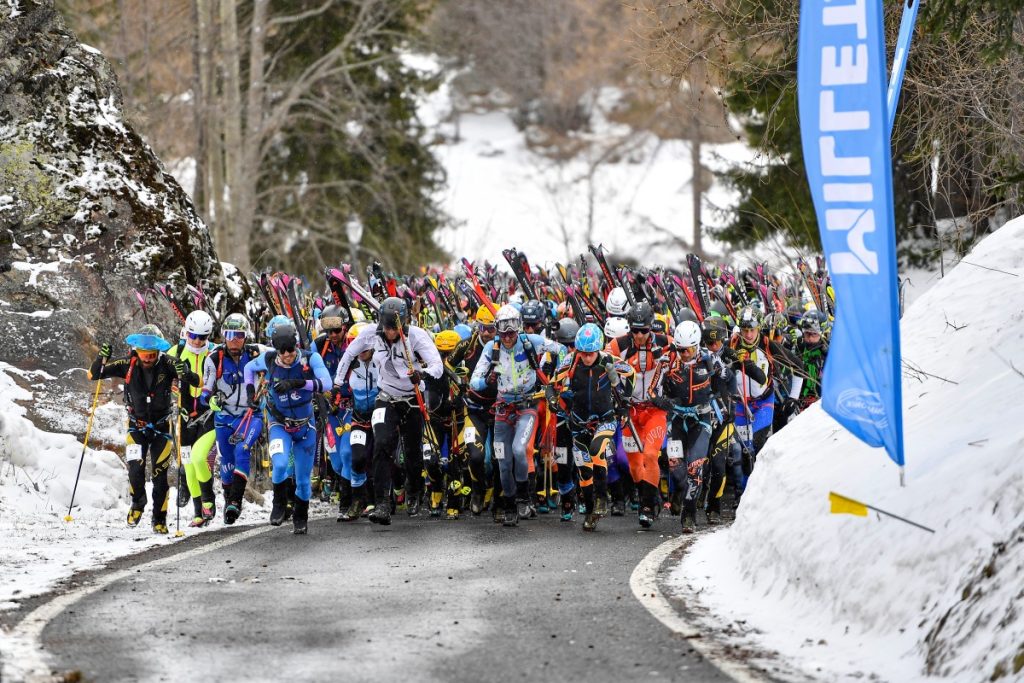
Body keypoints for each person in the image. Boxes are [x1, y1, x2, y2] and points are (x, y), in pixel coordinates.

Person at [333, 297, 443, 525]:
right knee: (382, 445)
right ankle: (382, 502)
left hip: (412, 398)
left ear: (403, 323)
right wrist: (337, 381)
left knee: (412, 455)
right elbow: (349, 354)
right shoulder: (372, 333)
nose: (390, 332)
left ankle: (414, 489)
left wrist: (422, 374)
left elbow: (438, 367)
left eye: (395, 328)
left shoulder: (416, 336)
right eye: (387, 327)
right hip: (386, 397)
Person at [89, 324, 195, 534]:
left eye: (152, 354)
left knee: (159, 476)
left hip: (162, 428)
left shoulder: (168, 363)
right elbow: (94, 375)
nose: (148, 358)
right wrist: (101, 358)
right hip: (136, 428)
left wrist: (186, 371)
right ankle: (138, 504)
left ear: (158, 352)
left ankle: (159, 519)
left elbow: (195, 382)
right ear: (136, 351)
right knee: (135, 470)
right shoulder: (127, 363)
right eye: (144, 354)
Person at [469, 304, 564, 526]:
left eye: (512, 333)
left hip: (527, 406)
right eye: (503, 334)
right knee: (503, 461)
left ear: (518, 330)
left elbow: (563, 351)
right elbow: (474, 381)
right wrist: (487, 381)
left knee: (520, 449)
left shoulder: (532, 342)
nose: (508, 338)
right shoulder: (490, 349)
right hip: (503, 408)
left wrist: (553, 376)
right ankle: (509, 505)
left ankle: (523, 497)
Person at [244, 323, 332, 534]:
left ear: (296, 346)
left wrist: (297, 383)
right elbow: (248, 368)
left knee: (303, 480)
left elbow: (327, 383)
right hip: (279, 424)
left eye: (291, 350)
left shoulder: (309, 358)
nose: (287, 355)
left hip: (305, 426)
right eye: (282, 351)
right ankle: (279, 503)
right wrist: (250, 393)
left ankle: (301, 515)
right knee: (281, 464)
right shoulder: (268, 359)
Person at [606, 301, 673, 528]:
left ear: (651, 327)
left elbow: (686, 358)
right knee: (634, 465)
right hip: (630, 411)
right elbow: (603, 364)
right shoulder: (619, 345)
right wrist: (616, 399)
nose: (640, 335)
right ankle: (648, 495)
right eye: (635, 330)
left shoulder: (665, 343)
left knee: (651, 455)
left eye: (644, 330)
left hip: (655, 410)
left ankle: (647, 505)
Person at [552, 323, 622, 531]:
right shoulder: (571, 360)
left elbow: (631, 379)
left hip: (605, 420)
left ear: (598, 349)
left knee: (596, 450)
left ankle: (602, 498)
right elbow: (552, 383)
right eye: (583, 353)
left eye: (591, 353)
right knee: (584, 471)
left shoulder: (610, 360)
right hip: (578, 422)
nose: (587, 357)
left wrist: (616, 380)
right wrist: (552, 398)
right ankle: (591, 509)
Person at [201, 313, 263, 525]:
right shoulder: (213, 358)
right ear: (223, 336)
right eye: (229, 334)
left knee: (242, 450)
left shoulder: (256, 353)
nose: (234, 339)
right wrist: (211, 400)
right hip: (225, 417)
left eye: (239, 335)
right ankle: (229, 500)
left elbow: (281, 355)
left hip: (250, 416)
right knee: (227, 462)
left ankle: (236, 501)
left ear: (246, 336)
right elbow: (205, 392)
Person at [658, 321, 714, 533]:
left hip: (700, 420)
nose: (685, 354)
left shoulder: (709, 359)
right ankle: (679, 490)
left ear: (697, 346)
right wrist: (661, 401)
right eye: (680, 350)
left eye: (689, 350)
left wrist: (723, 394)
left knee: (695, 467)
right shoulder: (668, 360)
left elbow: (726, 382)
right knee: (675, 466)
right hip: (676, 420)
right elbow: (653, 390)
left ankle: (689, 516)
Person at [168, 310, 218, 527]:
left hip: (209, 415)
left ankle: (209, 500)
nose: (197, 341)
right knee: (188, 465)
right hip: (186, 415)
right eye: (193, 335)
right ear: (186, 333)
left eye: (203, 337)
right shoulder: (176, 352)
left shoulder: (215, 353)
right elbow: (160, 377)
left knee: (199, 459)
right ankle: (198, 513)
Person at [448, 305, 498, 517]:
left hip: (499, 410)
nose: (486, 333)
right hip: (473, 409)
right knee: (477, 457)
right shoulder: (467, 345)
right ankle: (478, 490)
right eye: (482, 328)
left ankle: (498, 496)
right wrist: (458, 384)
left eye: (491, 328)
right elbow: (446, 365)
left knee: (497, 458)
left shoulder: (505, 344)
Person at [333, 322, 379, 521]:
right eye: (354, 346)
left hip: (380, 416)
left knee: (378, 459)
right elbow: (338, 386)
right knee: (357, 458)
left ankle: (382, 500)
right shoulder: (349, 364)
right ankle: (357, 501)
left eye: (363, 347)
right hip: (359, 418)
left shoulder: (381, 360)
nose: (360, 351)